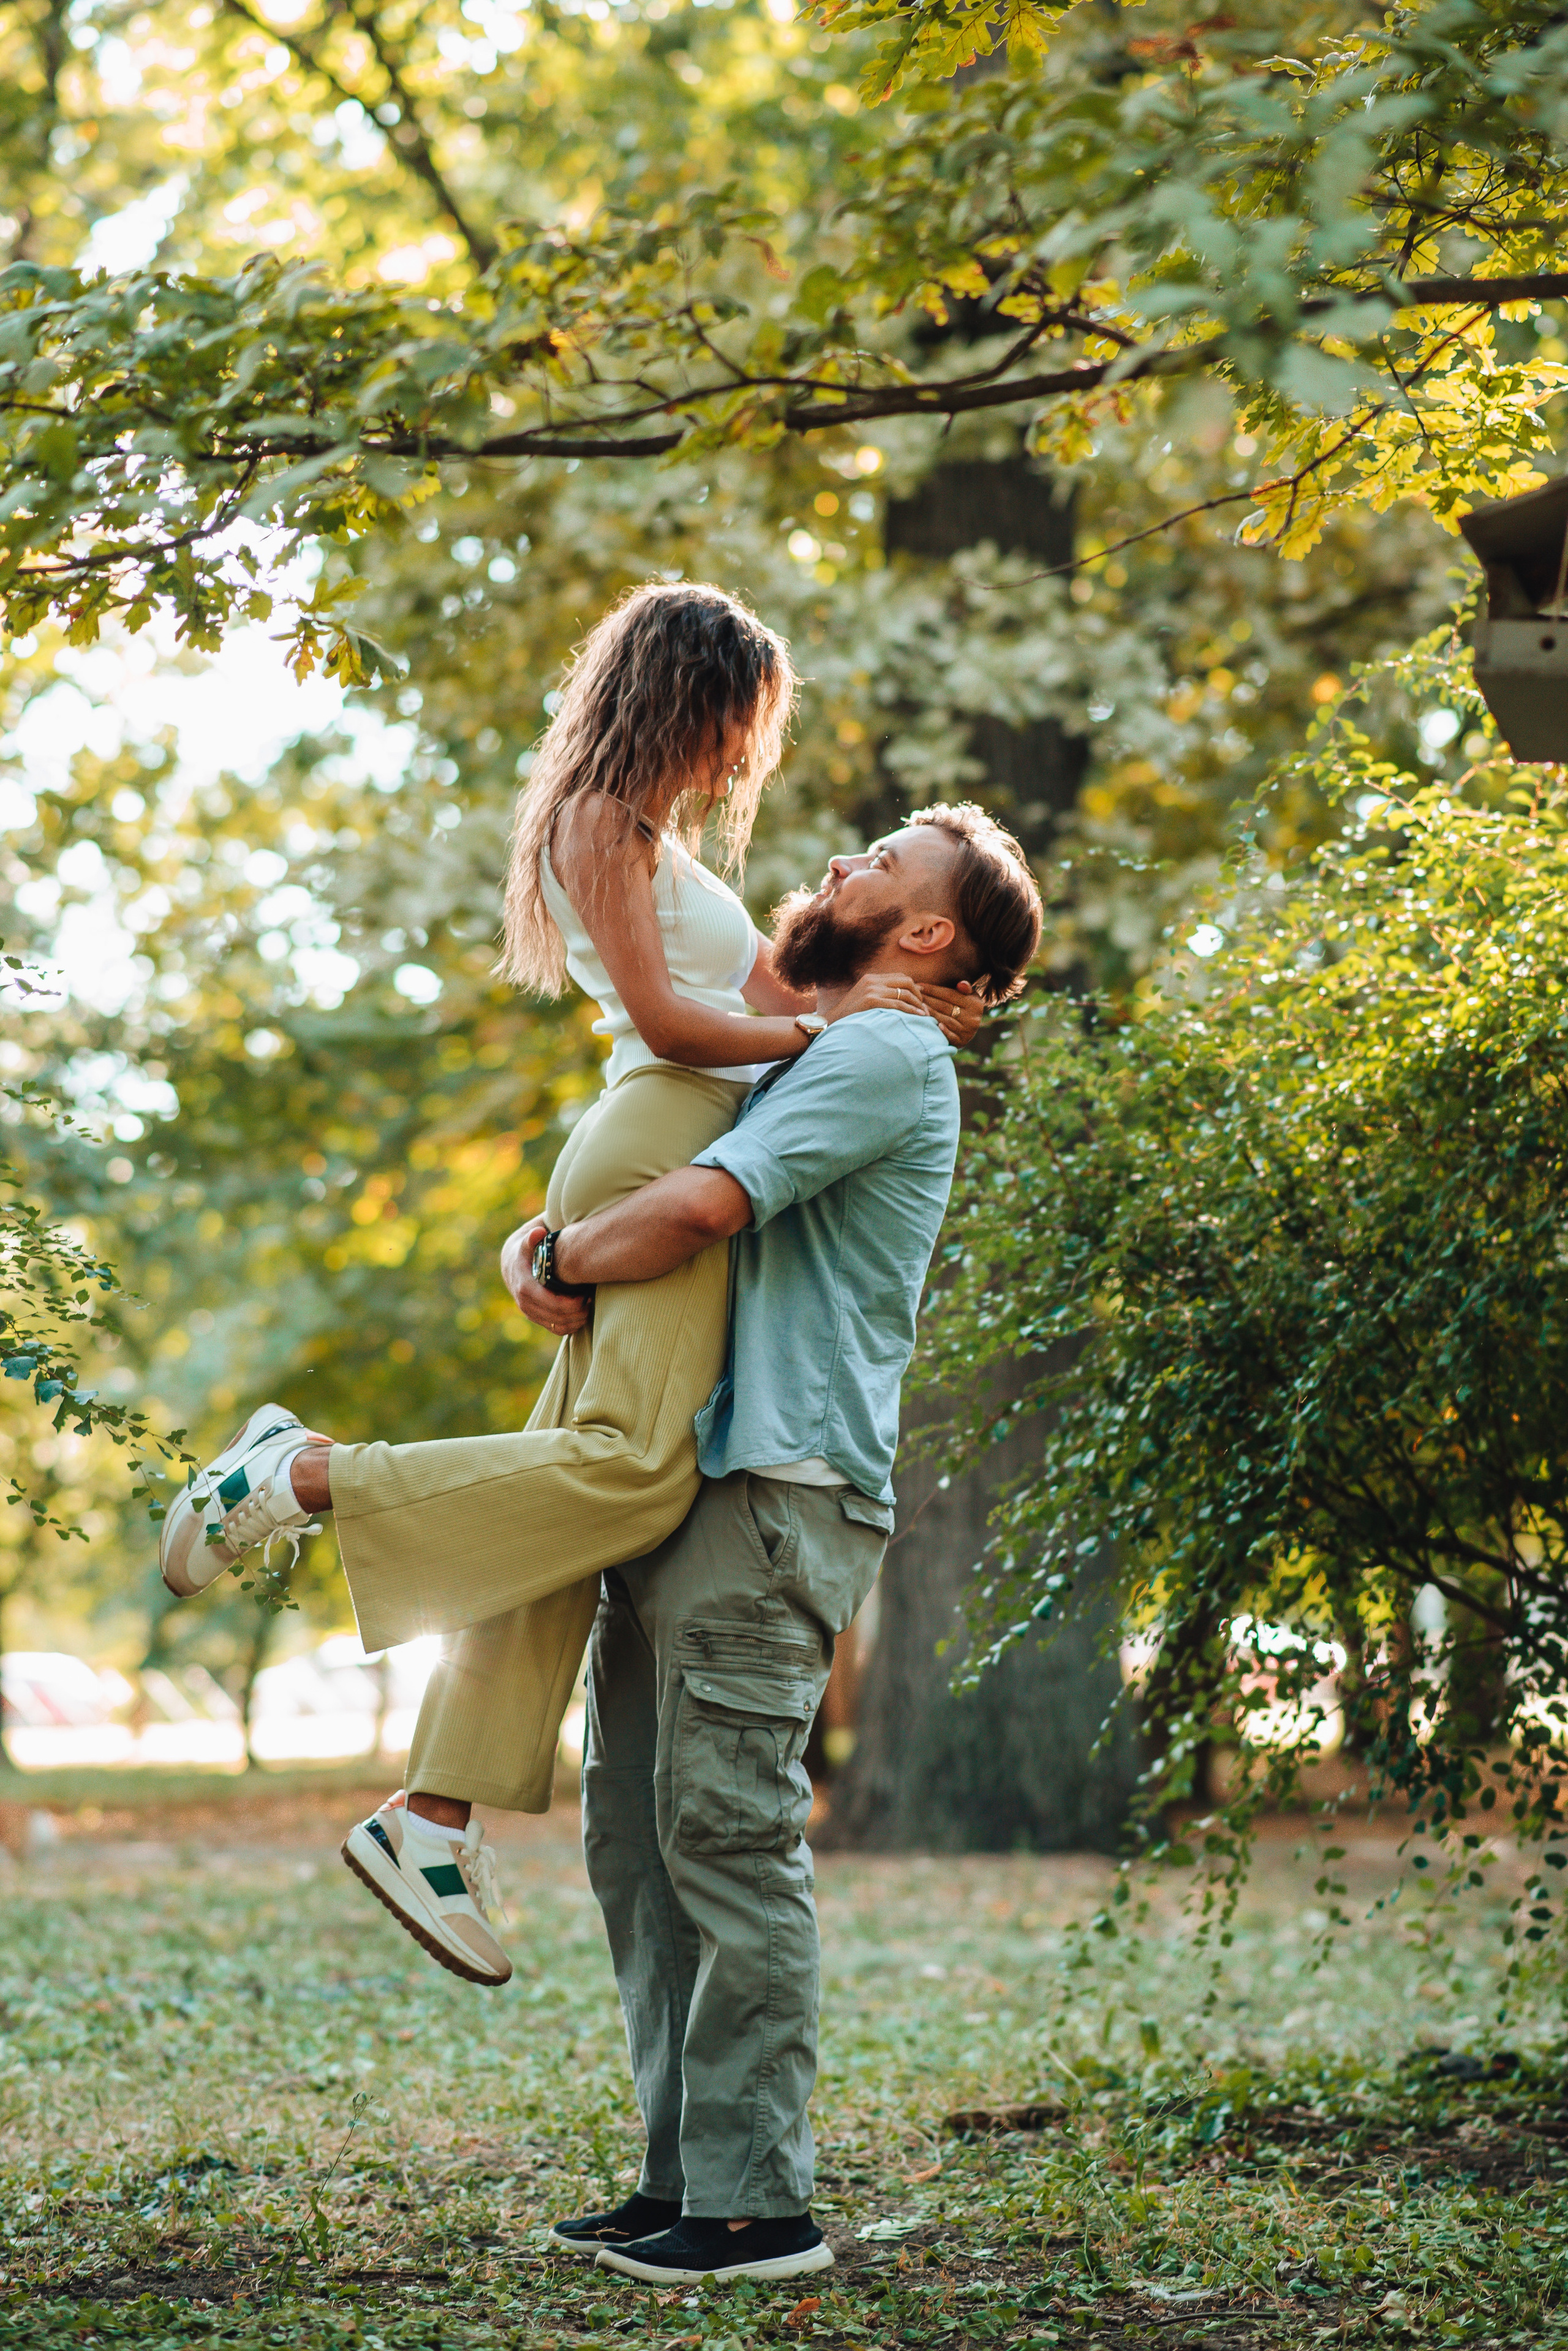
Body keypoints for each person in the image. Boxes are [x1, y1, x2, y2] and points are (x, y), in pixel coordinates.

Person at [155, 581, 980, 1992]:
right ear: (689, 691)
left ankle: (433, 1813)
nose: (745, 752)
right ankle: (299, 1475)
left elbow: (763, 999)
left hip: (660, 1134)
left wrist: (888, 1008)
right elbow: (667, 1022)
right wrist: (825, 1042)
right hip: (659, 1132)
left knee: (557, 1502)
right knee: (632, 1474)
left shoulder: (651, 838)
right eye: (742, 719)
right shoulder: (599, 819)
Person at [511, 803, 1044, 2284]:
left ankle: (757, 2207)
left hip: (774, 1486)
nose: (841, 865)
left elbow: (695, 1206)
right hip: (685, 1473)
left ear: (926, 931)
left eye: (882, 860)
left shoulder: (886, 1053)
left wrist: (558, 1252)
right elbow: (643, 1169)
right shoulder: (803, 1045)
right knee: (638, 1838)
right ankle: (682, 2173)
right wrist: (540, 1243)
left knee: (727, 1832)